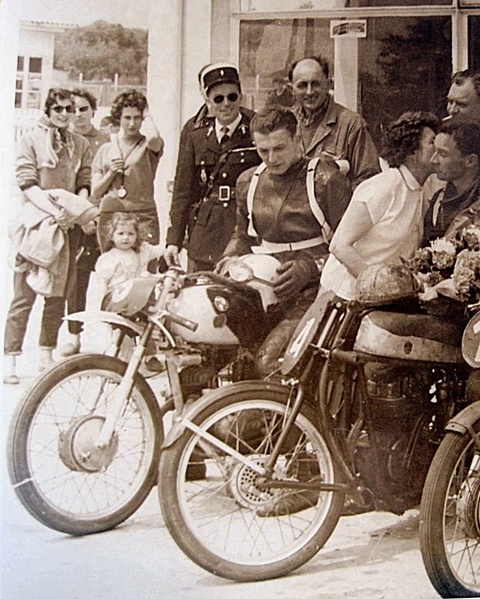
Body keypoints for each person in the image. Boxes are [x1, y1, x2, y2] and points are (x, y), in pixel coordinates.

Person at [218, 106, 351, 375]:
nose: (271, 158)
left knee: (270, 360)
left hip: (315, 292)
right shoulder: (248, 181)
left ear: (297, 137)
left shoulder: (324, 178)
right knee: (227, 354)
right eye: (262, 150)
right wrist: (229, 258)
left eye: (279, 148)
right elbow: (242, 236)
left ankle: (292, 416)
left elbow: (352, 244)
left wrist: (311, 268)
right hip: (263, 290)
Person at [4, 88, 93, 383]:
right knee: (24, 293)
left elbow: (84, 181)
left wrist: (73, 209)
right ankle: (11, 359)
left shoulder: (79, 144)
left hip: (67, 224)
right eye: (58, 109)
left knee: (57, 294)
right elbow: (27, 184)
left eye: (69, 109)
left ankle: (46, 353)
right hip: (36, 225)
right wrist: (54, 211)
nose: (65, 114)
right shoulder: (29, 141)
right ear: (48, 111)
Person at [320, 111, 439, 300]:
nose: (439, 147)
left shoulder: (419, 189)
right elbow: (339, 246)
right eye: (432, 142)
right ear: (412, 151)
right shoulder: (383, 187)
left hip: (379, 301)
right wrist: (377, 287)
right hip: (343, 296)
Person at [165, 64, 261, 271]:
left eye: (232, 97)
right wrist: (174, 240)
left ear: (241, 97)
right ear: (208, 101)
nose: (226, 104)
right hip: (205, 233)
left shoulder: (256, 128)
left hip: (244, 231)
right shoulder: (196, 135)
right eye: (218, 98)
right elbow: (183, 191)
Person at [60, 88, 111, 356]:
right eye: (73, 109)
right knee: (76, 280)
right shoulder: (65, 142)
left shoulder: (106, 140)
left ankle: (121, 339)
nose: (78, 114)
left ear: (94, 110)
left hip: (103, 218)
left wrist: (97, 215)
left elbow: (111, 182)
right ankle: (74, 335)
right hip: (76, 220)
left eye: (83, 109)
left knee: (115, 276)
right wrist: (80, 216)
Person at [288, 56, 380, 188]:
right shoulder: (286, 123)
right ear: (292, 89)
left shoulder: (351, 124)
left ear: (328, 85)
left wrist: (337, 199)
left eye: (316, 84)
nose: (309, 92)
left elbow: (370, 180)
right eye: (302, 85)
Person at [422, 119, 480, 244]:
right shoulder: (438, 202)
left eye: (442, 154)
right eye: (434, 151)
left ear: (470, 161)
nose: (433, 160)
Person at [92, 90, 163, 250]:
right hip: (111, 216)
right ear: (119, 118)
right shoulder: (105, 149)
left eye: (137, 118)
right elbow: (95, 192)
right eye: (127, 118)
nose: (132, 123)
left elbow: (153, 137)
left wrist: (147, 114)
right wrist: (110, 172)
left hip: (143, 215)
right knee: (113, 269)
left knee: (144, 268)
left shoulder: (148, 146)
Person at [83, 213, 164, 352]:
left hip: (139, 299)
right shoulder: (109, 258)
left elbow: (158, 251)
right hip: (118, 301)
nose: (126, 238)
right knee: (119, 331)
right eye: (120, 233)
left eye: (131, 234)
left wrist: (171, 247)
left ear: (137, 235)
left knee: (149, 324)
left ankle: (150, 354)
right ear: (112, 235)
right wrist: (99, 305)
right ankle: (116, 354)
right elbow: (102, 283)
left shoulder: (141, 251)